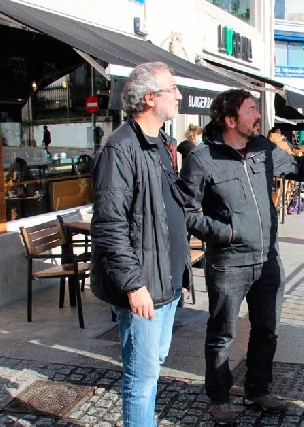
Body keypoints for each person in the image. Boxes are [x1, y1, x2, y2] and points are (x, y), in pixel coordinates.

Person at [179, 89, 304, 424]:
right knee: (222, 334)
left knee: (267, 330)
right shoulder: (202, 158)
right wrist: (225, 233)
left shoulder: (263, 148)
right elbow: (186, 211)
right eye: (252, 110)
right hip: (228, 263)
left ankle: (258, 389)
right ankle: (219, 396)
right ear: (230, 120)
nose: (259, 116)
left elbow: (297, 167)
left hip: (268, 259)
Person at [89, 62, 192, 427]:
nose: (179, 95)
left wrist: (181, 272)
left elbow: (167, 212)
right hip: (144, 284)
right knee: (142, 376)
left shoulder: (163, 143)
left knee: (154, 364)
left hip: (166, 280)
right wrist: (133, 284)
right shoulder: (120, 148)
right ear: (150, 98)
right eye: (172, 89)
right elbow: (110, 224)